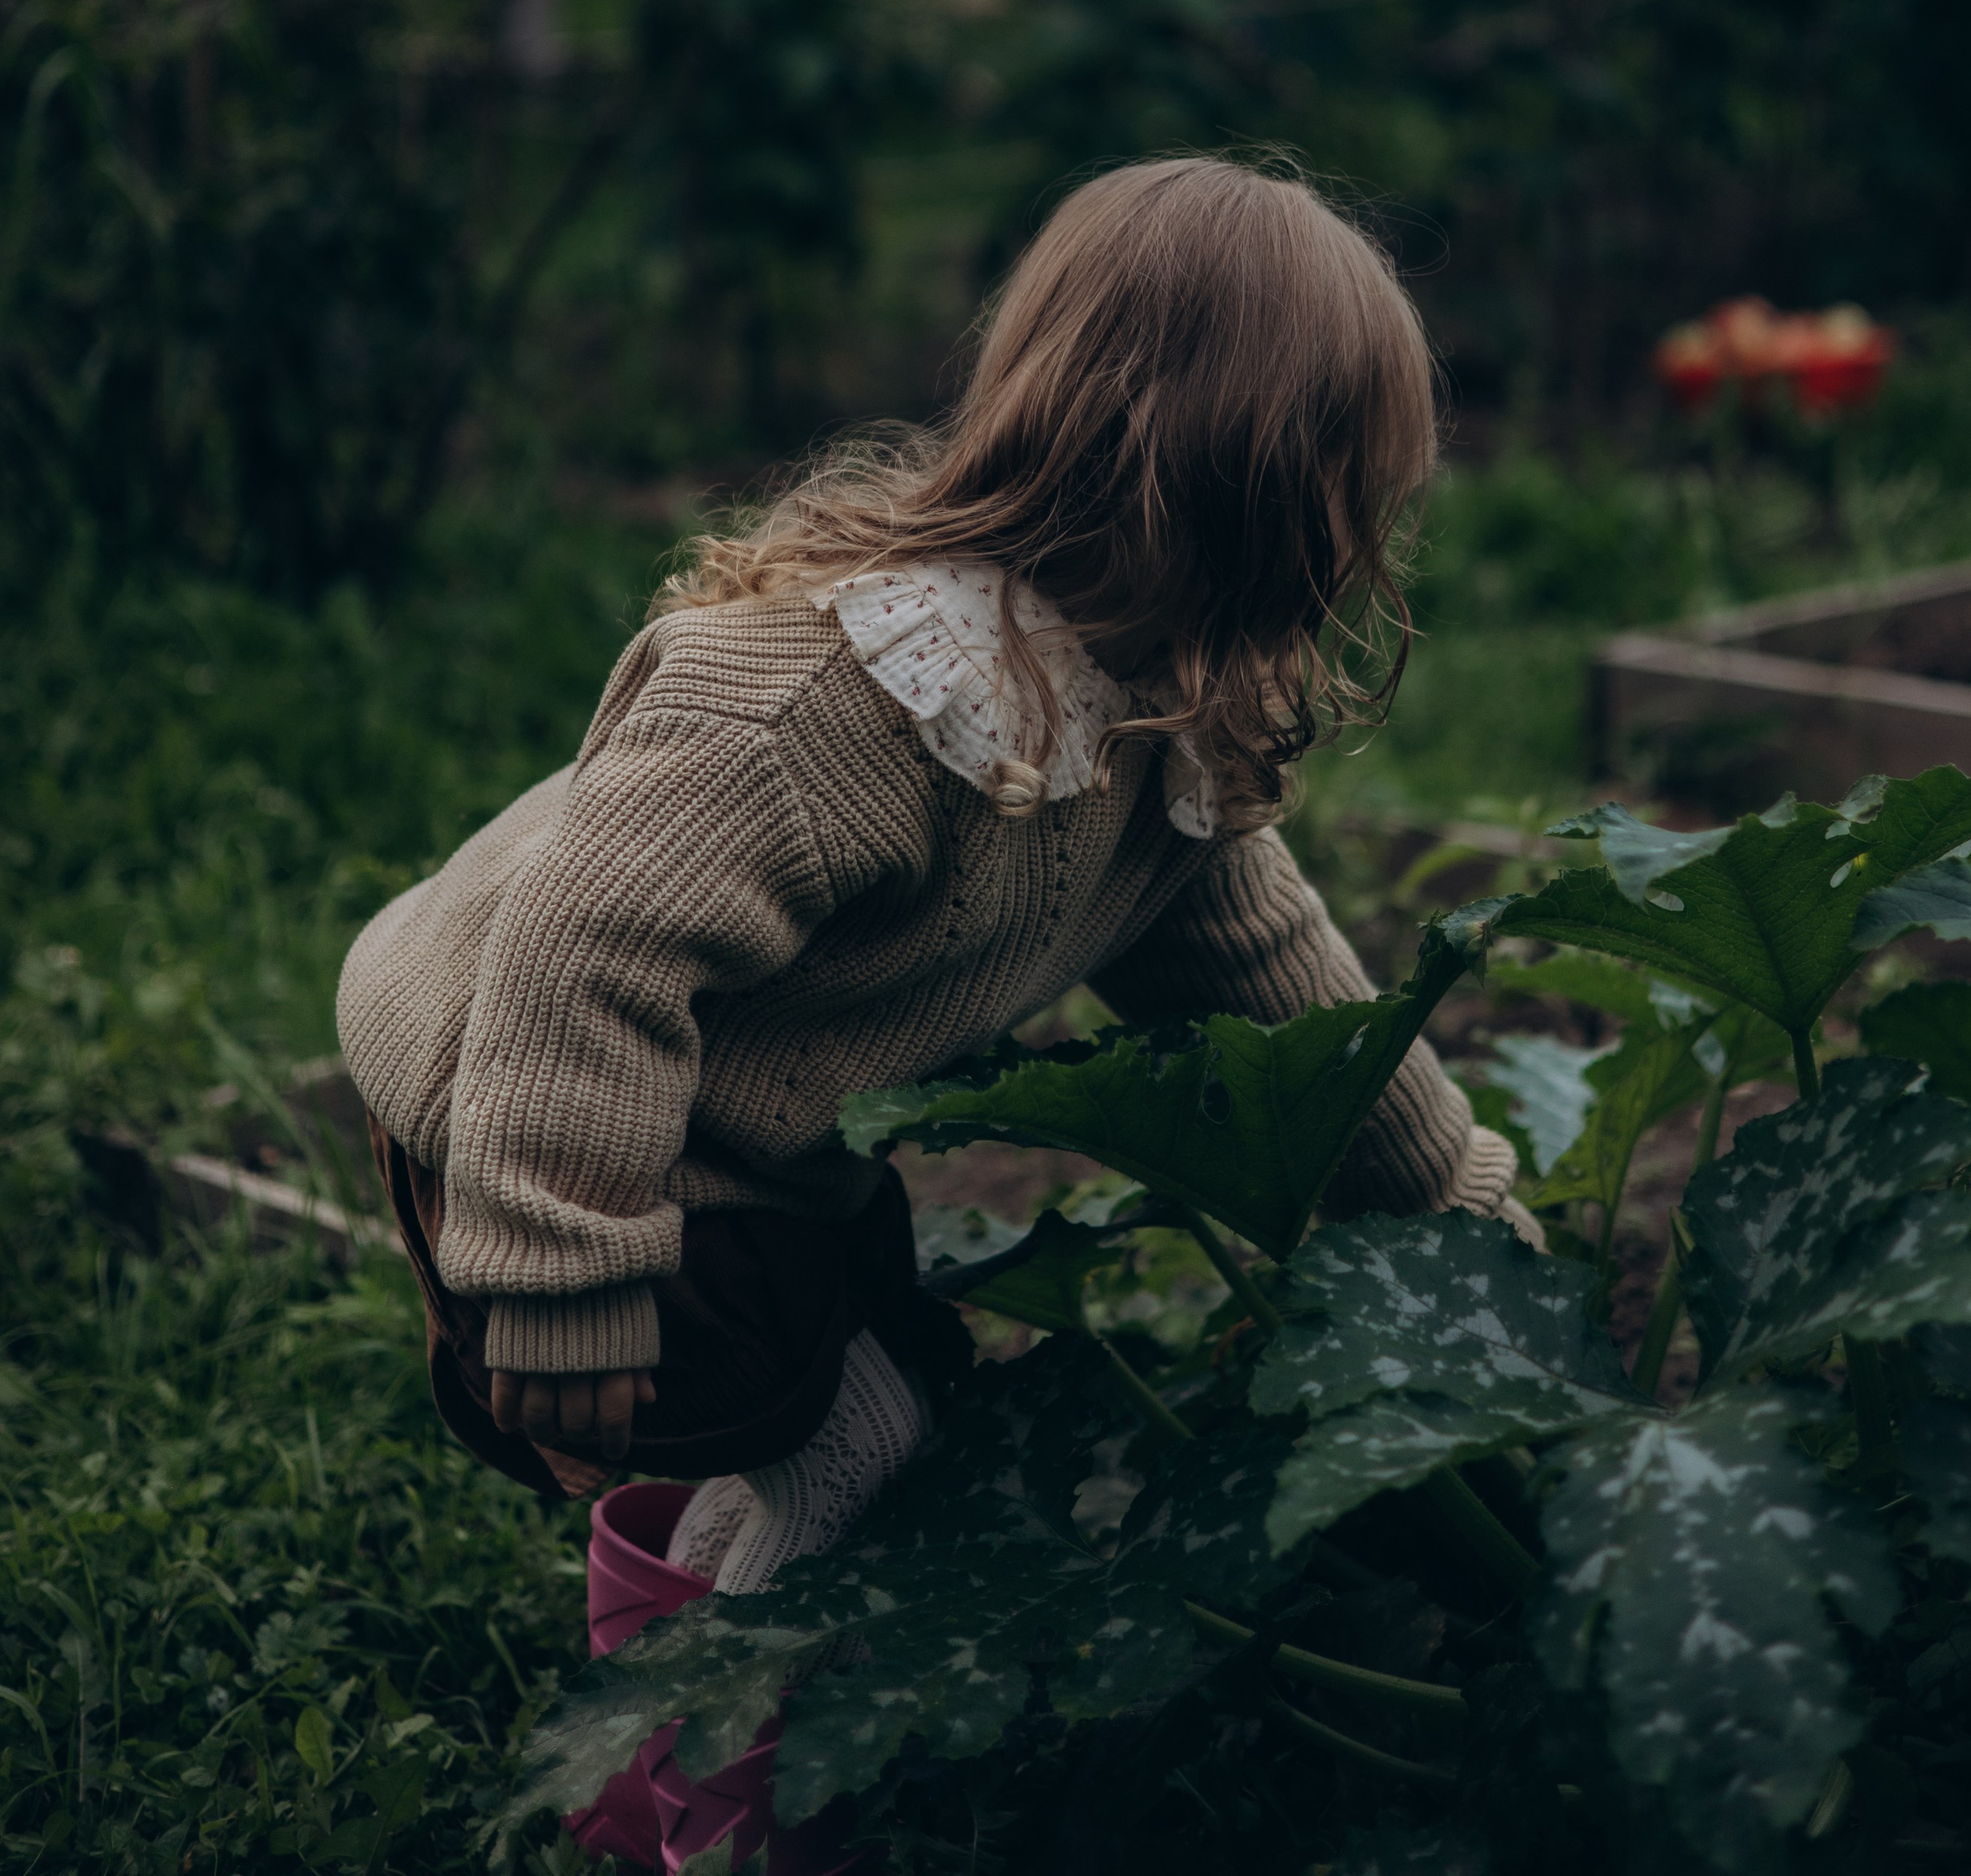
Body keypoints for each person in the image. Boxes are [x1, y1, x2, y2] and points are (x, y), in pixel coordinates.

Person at [338, 157, 1522, 1597]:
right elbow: (580, 957)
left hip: (754, 1134)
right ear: (1246, 484)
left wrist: (1455, 1206)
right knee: (850, 1442)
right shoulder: (828, 706)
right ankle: (723, 1785)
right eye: (1352, 494)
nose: (1360, 542)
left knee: (865, 1411)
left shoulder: (1158, 727)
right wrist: (560, 1265)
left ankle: (676, 1661)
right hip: (519, 1097)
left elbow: (1286, 992)